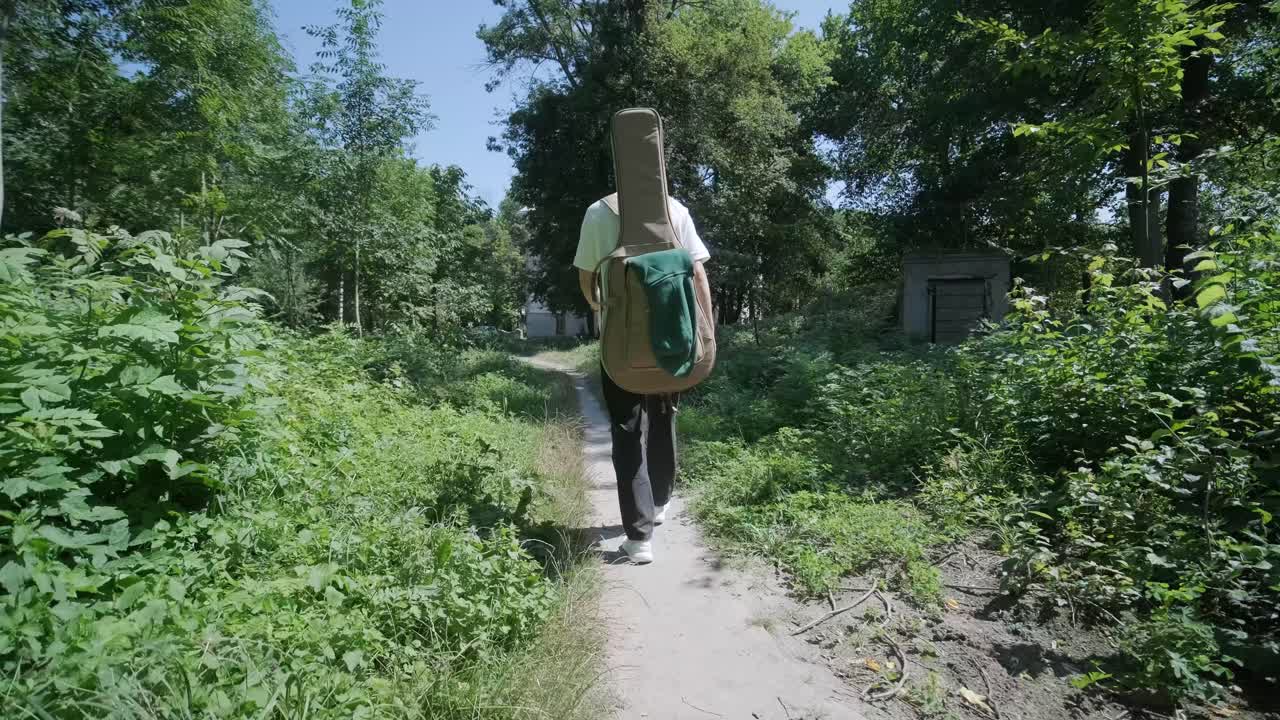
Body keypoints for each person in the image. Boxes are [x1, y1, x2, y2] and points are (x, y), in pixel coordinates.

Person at [573, 194, 713, 564]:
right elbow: (697, 272)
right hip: (673, 336)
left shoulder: (597, 212)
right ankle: (661, 501)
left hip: (621, 345)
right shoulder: (676, 209)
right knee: (665, 415)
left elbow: (587, 275)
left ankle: (639, 539)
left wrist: (599, 307)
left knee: (627, 428)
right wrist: (707, 331)